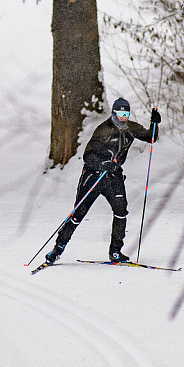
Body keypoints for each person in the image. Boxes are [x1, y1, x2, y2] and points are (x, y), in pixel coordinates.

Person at [45, 98, 161, 264]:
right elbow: (88, 156)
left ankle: (115, 251)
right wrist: (103, 163)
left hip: (113, 177)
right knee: (78, 214)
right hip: (94, 176)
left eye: (126, 113)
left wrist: (154, 123)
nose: (124, 117)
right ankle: (57, 249)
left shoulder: (131, 128)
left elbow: (151, 138)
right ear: (114, 113)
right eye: (120, 113)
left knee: (121, 212)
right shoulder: (104, 129)